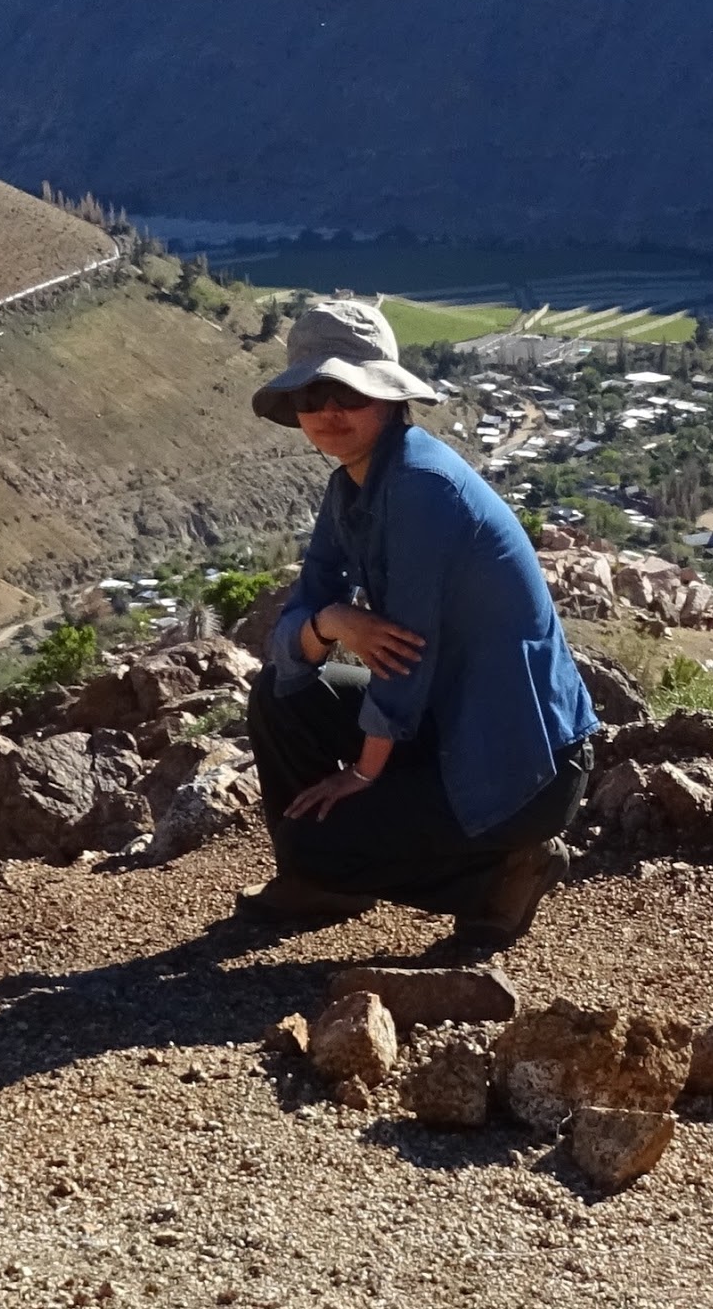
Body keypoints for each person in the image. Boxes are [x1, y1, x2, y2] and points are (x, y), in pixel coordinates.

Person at [239, 295, 598, 948]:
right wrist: (330, 623)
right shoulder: (351, 487)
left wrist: (364, 774)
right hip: (444, 725)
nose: (328, 412)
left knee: (317, 840)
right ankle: (320, 878)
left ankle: (504, 871)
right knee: (277, 697)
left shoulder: (421, 487)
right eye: (311, 397)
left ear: (386, 397)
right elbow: (298, 622)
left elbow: (406, 657)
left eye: (346, 392)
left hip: (518, 761)